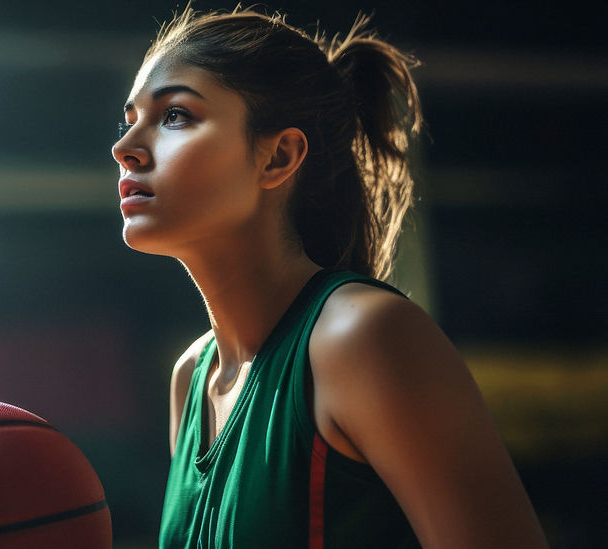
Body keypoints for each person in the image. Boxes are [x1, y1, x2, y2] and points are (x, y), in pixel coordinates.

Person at [111, 5, 548, 548]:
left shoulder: (364, 337)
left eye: (175, 115)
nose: (124, 148)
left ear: (279, 156)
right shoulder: (190, 380)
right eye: (130, 120)